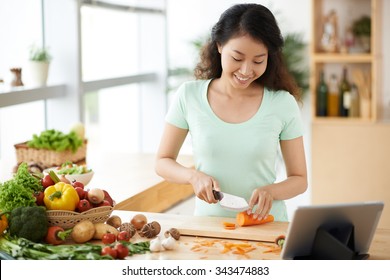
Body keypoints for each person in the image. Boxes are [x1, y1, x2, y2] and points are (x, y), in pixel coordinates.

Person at [155, 3, 307, 222]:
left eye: (258, 61)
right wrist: (193, 177)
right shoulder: (189, 96)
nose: (246, 71)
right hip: (208, 228)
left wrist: (271, 192)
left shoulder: (282, 103)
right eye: (237, 58)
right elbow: (162, 161)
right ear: (219, 46)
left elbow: (300, 179)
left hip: (267, 228)